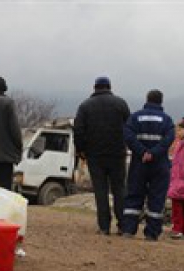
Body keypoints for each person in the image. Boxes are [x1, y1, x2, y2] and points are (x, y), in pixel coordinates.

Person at [74, 76, 131, 235]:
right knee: (119, 189)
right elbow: (130, 127)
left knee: (100, 191)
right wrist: (125, 145)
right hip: (117, 154)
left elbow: (78, 130)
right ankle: (123, 225)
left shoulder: (85, 106)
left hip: (95, 155)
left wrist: (81, 150)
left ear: (94, 87)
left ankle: (104, 226)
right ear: (109, 87)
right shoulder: (121, 104)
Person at [121, 89, 175, 241]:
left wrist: (142, 152)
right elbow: (168, 140)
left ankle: (128, 229)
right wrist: (154, 153)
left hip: (139, 162)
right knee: (157, 198)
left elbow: (128, 136)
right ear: (161, 101)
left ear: (147, 99)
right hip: (159, 164)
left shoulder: (135, 117)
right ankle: (151, 233)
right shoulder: (167, 120)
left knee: (134, 194)